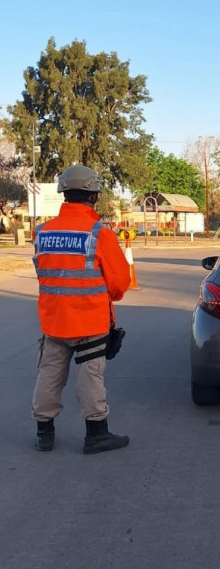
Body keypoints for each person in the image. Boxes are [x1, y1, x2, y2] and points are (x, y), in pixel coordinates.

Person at [32, 165, 132, 454]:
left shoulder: (42, 233)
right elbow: (119, 284)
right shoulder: (99, 234)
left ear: (64, 193)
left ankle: (44, 434)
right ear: (94, 195)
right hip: (89, 324)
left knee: (49, 375)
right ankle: (96, 434)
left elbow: (43, 274)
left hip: (53, 322)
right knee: (90, 378)